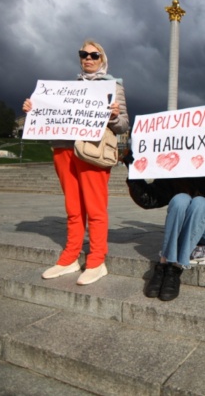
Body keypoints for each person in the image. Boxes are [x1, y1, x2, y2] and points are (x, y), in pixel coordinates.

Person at [22, 40, 129, 286]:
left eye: (94, 55)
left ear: (103, 59)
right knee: (73, 207)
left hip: (92, 150)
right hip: (63, 149)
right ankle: (70, 257)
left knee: (95, 207)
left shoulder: (113, 86)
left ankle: (96, 261)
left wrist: (113, 116)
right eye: (84, 54)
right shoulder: (66, 87)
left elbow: (123, 125)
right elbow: (49, 114)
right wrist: (33, 109)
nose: (88, 58)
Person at [123, 141, 205, 301]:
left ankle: (177, 266)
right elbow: (148, 199)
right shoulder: (173, 172)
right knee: (179, 199)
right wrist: (133, 173)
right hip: (185, 232)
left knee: (199, 202)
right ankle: (165, 264)